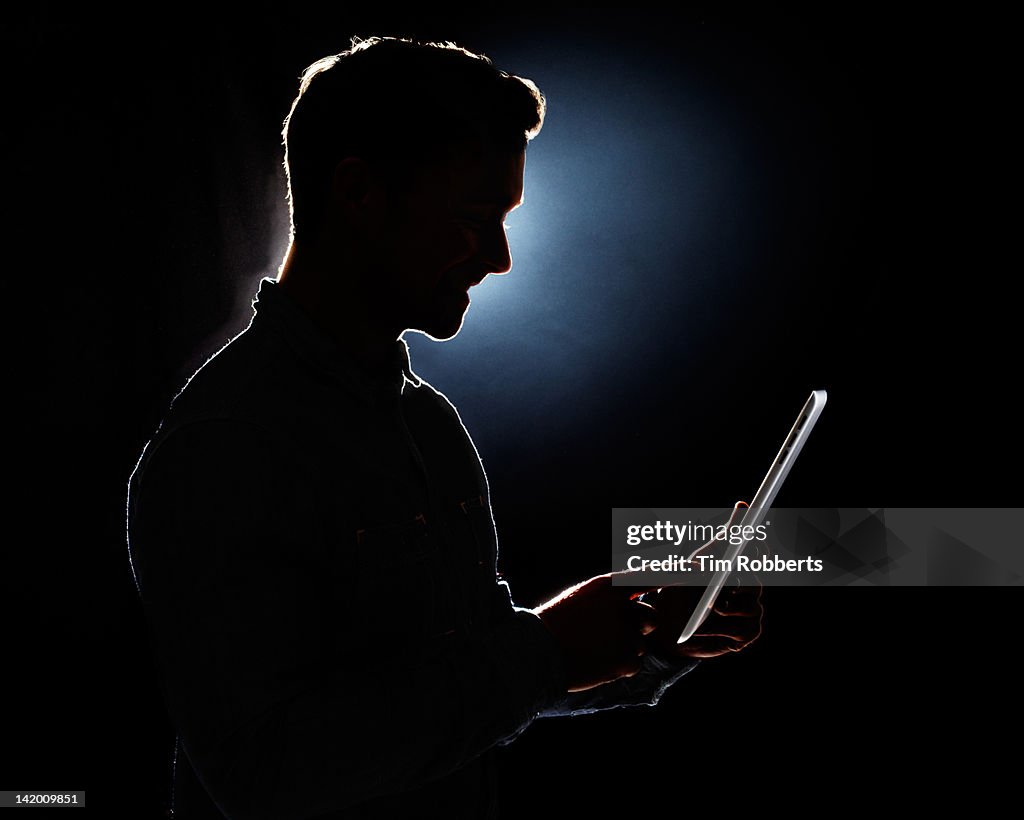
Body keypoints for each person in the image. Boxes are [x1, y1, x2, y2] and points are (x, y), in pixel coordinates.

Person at [126, 36, 762, 819]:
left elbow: (465, 688)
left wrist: (653, 635)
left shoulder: (427, 423)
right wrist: (549, 651)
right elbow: (260, 769)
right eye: (471, 218)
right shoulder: (225, 443)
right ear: (358, 193)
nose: (497, 257)